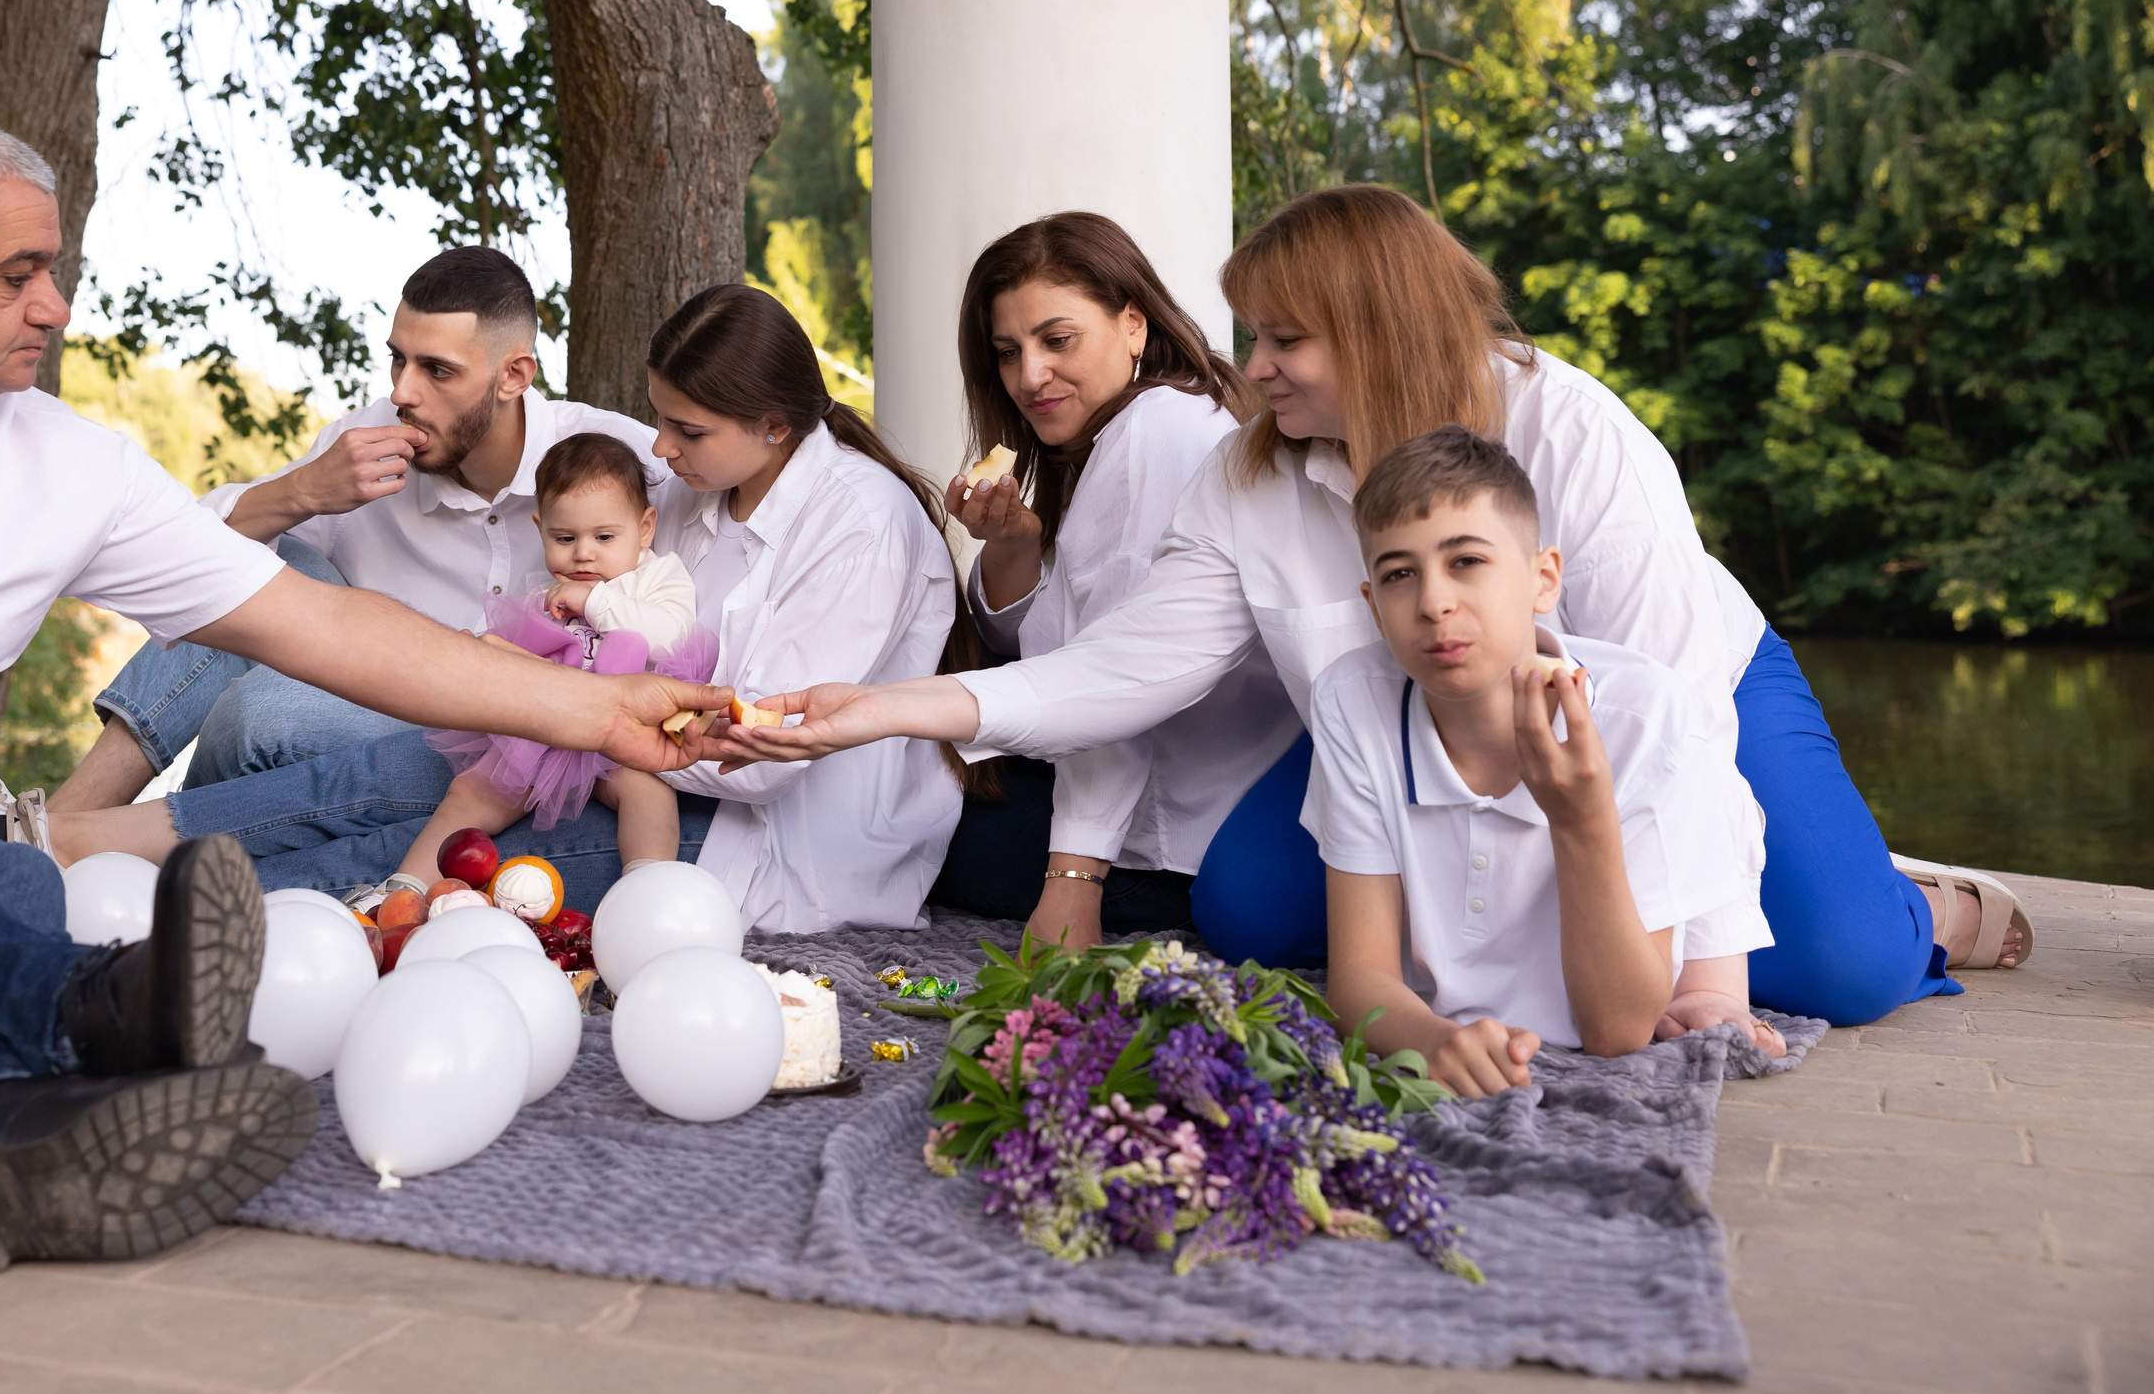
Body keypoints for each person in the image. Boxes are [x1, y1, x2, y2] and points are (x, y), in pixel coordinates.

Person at [0, 111, 726, 1272]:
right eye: (17, 274)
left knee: (4, 881)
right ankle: (100, 1011)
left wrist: (600, 709)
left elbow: (318, 621)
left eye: (55, 273)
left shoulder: (51, 462)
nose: (55, 307)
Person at [721, 184, 2026, 1027]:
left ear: (1382, 324)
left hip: (1672, 701)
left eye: (1287, 339)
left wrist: (1701, 966)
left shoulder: (1569, 428)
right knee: (1247, 907)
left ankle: (1909, 895)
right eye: (1253, 334)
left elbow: (1664, 717)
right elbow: (1124, 666)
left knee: (1836, 965)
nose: (1254, 365)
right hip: (1415, 726)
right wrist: (876, 709)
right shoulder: (1252, 473)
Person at [51, 285, 967, 932]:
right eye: (659, 419)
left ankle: (151, 904)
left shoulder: (859, 521)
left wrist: (573, 720)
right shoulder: (690, 491)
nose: (659, 445)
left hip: (755, 847)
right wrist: (555, 708)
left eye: (686, 429)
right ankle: (86, 837)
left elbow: (766, 757)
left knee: (415, 844)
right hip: (617, 756)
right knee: (413, 771)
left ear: (774, 425)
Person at [51, 248, 665, 810]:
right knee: (257, 558)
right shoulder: (361, 442)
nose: (403, 391)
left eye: (438, 371)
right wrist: (304, 491)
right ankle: (70, 814)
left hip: (499, 744)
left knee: (259, 717)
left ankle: (146, 861)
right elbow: (187, 557)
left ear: (514, 376)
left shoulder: (615, 457)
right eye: (398, 359)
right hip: (364, 699)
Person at [1311, 429, 1784, 1098]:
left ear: (1543, 579)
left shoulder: (1642, 714)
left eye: (1466, 560)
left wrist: (1581, 816)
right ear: (1373, 607)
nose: (1434, 602)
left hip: (1695, 863)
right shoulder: (1350, 698)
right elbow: (1359, 974)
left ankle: (1941, 906)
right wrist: (1433, 1039)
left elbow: (1618, 1030)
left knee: (1846, 967)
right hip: (1522, 985)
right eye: (1399, 573)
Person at [931, 213, 1299, 950]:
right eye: (1009, 352)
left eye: (1057, 340)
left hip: (1172, 836)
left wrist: (1074, 883)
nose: (1030, 375)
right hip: (1163, 797)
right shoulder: (1146, 425)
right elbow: (1039, 641)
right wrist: (1015, 544)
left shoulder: (1153, 435)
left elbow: (1115, 678)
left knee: (910, 824)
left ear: (1134, 324)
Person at [403, 431, 711, 889]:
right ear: (539, 527)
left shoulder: (657, 577)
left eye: (605, 536)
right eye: (564, 537)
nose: (583, 553)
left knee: (650, 791)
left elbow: (669, 635)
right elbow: (524, 660)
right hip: (545, 735)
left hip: (627, 736)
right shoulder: (545, 593)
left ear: (645, 527)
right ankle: (404, 889)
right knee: (469, 791)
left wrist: (594, 600)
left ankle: (649, 888)